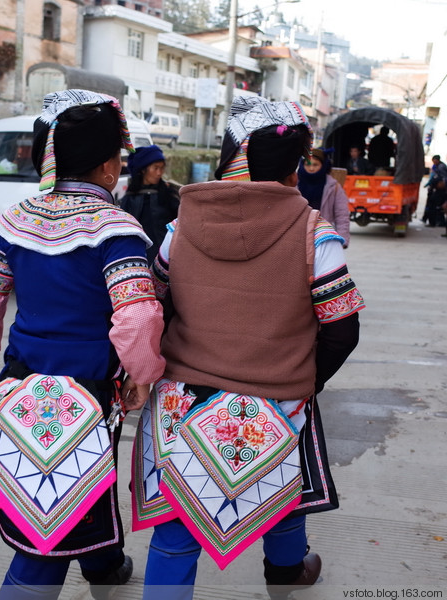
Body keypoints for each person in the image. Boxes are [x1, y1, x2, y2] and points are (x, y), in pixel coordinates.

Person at [132, 96, 365, 600]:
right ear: (293, 167)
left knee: (175, 526)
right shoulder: (314, 235)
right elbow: (342, 331)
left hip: (181, 402)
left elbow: (157, 302)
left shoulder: (178, 228)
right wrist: (301, 376)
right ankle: (285, 572)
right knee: (279, 488)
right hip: (278, 400)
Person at [0, 89, 166, 600]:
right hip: (89, 391)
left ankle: (104, 566)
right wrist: (142, 372)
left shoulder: (17, 221)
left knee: (72, 485)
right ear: (111, 168)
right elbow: (135, 316)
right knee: (51, 521)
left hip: (22, 380)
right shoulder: (117, 232)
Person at [120, 145, 180, 264]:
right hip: (139, 256)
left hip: (166, 256)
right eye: (155, 168)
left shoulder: (168, 194)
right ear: (143, 169)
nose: (159, 173)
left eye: (162, 168)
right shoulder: (130, 197)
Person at [298, 147, 351, 247]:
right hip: (297, 237)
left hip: (324, 237)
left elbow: (342, 215)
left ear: (323, 165)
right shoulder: (294, 184)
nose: (311, 168)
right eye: (307, 164)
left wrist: (342, 240)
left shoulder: (333, 187)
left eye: (315, 164)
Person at [422, 155, 447, 226]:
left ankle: (434, 222)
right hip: (436, 189)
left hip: (439, 190)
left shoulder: (441, 167)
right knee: (434, 206)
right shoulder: (436, 166)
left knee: (434, 206)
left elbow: (443, 178)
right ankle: (434, 221)